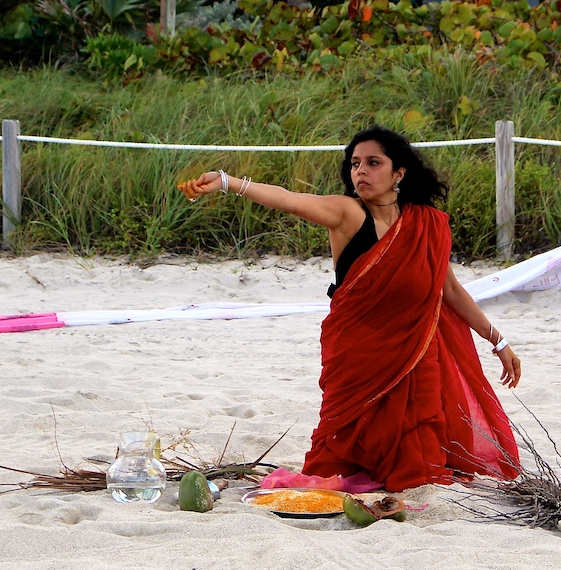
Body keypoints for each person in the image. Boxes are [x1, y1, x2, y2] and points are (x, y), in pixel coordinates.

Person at [178, 126, 521, 491]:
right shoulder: (347, 213)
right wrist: (227, 181)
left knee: (417, 445)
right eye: (355, 163)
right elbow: (288, 197)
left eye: (374, 163)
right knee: (345, 445)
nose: (361, 171)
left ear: (399, 172)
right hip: (359, 347)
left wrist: (498, 342)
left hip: (416, 347)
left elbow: (449, 290)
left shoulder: (427, 224)